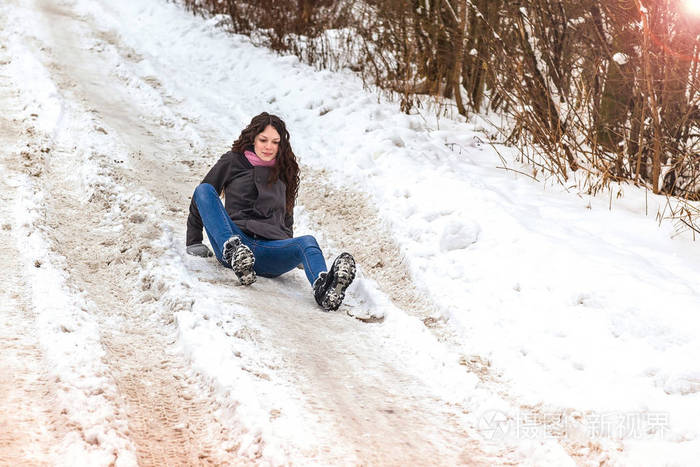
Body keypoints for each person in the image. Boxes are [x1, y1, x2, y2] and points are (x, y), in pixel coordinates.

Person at [185, 112, 356, 311]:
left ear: (281, 145)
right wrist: (194, 239)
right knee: (204, 190)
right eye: (263, 140)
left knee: (308, 242)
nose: (269, 147)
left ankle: (324, 289)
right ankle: (235, 254)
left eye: (275, 142)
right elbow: (202, 198)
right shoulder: (233, 161)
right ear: (252, 139)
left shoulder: (285, 170)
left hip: (270, 251)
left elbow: (287, 216)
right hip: (235, 240)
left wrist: (294, 252)